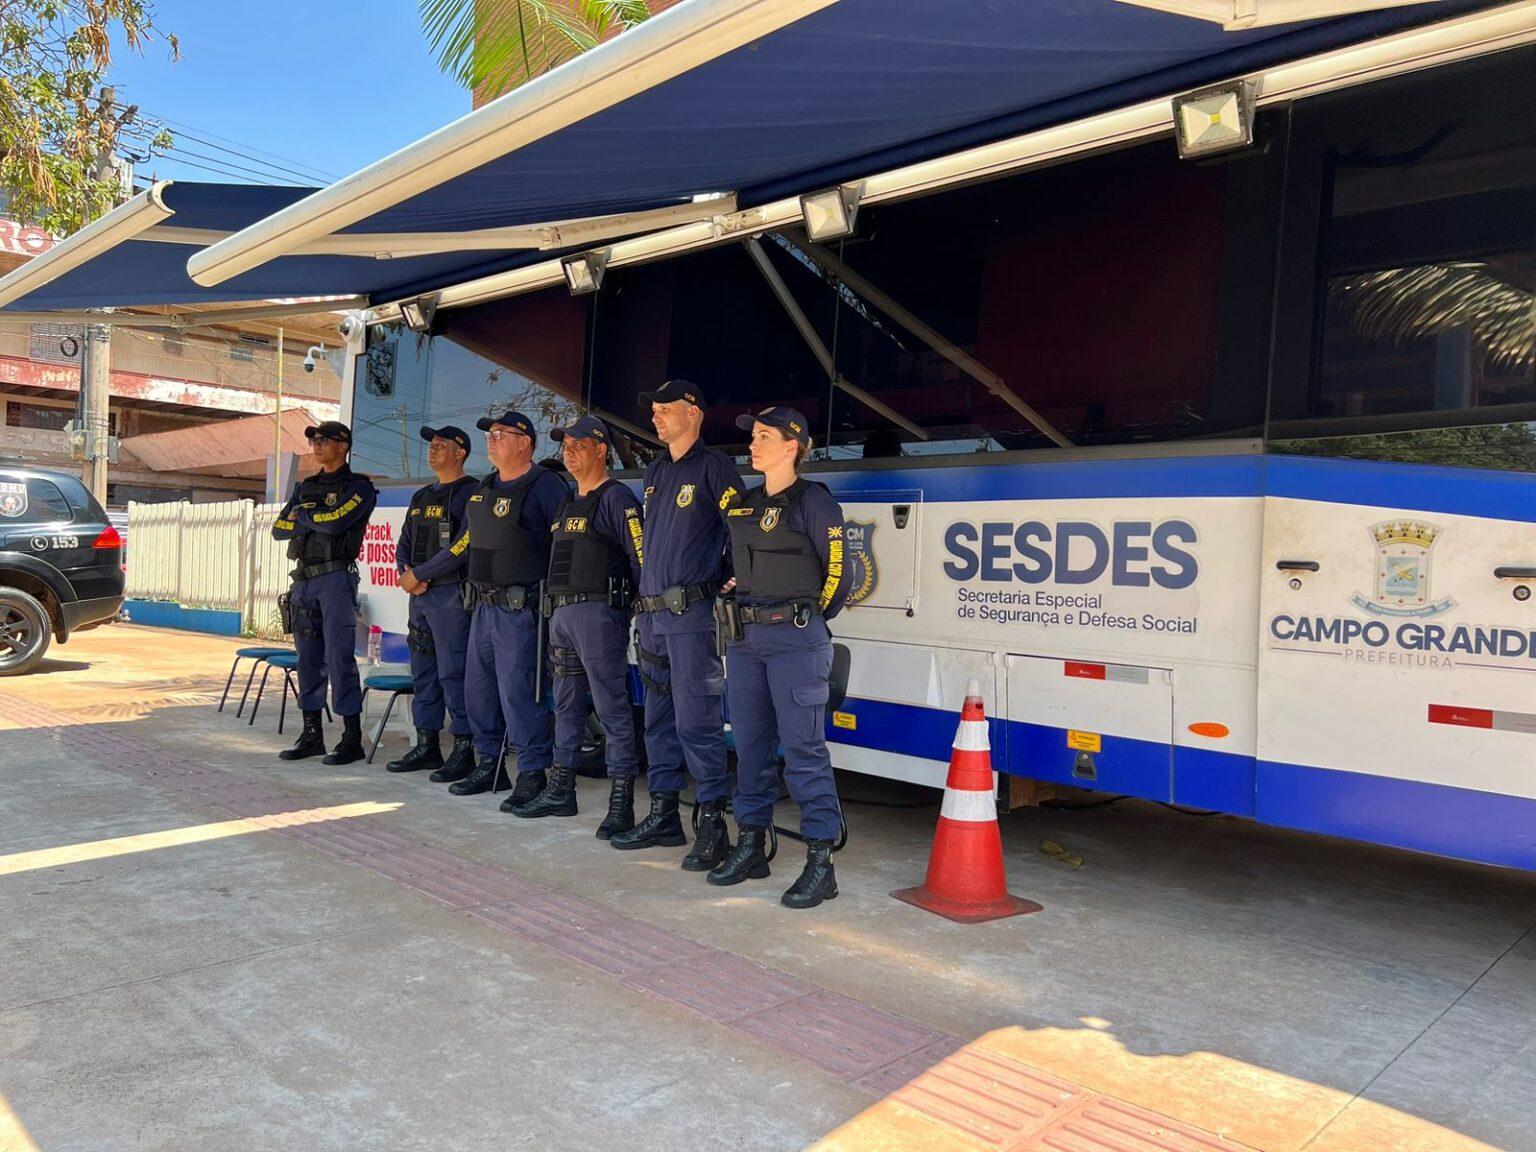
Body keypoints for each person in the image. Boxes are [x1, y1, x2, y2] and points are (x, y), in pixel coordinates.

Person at [709, 407, 848, 909]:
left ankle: (821, 861)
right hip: (745, 640)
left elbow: (839, 576)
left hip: (795, 640)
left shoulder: (814, 501)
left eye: (764, 437)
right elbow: (733, 564)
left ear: (793, 446)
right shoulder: (745, 504)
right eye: (753, 436)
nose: (753, 444)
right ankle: (751, 844)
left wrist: (805, 617)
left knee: (803, 750)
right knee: (749, 747)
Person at [610, 379, 744, 874]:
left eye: (665, 409)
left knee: (697, 722)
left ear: (693, 413)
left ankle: (713, 824)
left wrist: (729, 578)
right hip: (652, 618)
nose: (656, 416)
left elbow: (741, 529)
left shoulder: (715, 468)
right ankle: (664, 814)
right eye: (654, 410)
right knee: (658, 721)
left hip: (691, 617)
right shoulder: (656, 471)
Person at [515, 414, 644, 832]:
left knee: (611, 708)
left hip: (599, 614)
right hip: (562, 615)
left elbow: (640, 559)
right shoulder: (567, 500)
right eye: (565, 446)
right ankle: (560, 789)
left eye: (578, 445)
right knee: (567, 705)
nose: (569, 452)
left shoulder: (617, 498)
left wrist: (634, 608)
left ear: (601, 449)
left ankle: (621, 801)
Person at [443, 410, 570, 805]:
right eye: (489, 434)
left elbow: (564, 548)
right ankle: (489, 764)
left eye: (501, 433)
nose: (492, 439)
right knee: (478, 690)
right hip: (482, 606)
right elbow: (465, 542)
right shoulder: (484, 487)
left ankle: (532, 772)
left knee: (520, 692)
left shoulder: (546, 486)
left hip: (522, 609)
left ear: (524, 442)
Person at [271, 421, 379, 765]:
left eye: (323, 440)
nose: (316, 445)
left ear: (343, 446)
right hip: (303, 580)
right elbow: (279, 529)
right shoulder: (306, 487)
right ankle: (311, 734)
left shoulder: (358, 487)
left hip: (335, 579)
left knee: (339, 658)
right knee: (307, 660)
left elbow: (335, 523)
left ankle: (351, 738)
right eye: (314, 440)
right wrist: (312, 515)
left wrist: (303, 514)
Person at [387, 425, 478, 778]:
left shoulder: (472, 493)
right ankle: (427, 745)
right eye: (431, 443)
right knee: (423, 670)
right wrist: (406, 572)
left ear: (460, 453)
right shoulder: (422, 495)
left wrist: (420, 574)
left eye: (442, 444)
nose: (433, 448)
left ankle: (464, 748)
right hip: (421, 596)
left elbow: (463, 545)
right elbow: (404, 542)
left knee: (454, 672)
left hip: (450, 594)